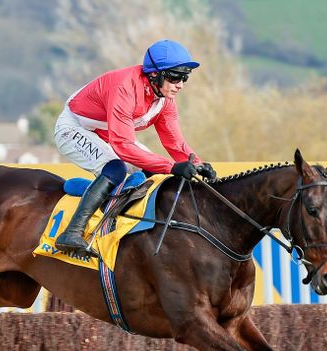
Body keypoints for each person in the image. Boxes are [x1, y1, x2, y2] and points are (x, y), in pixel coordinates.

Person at [53, 39, 217, 257]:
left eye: (185, 77)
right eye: (175, 76)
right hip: (73, 127)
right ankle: (72, 232)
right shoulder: (125, 87)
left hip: (105, 130)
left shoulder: (164, 99)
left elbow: (175, 143)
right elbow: (123, 146)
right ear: (154, 74)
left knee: (152, 171)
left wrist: (197, 164)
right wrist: (172, 167)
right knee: (116, 169)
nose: (180, 84)